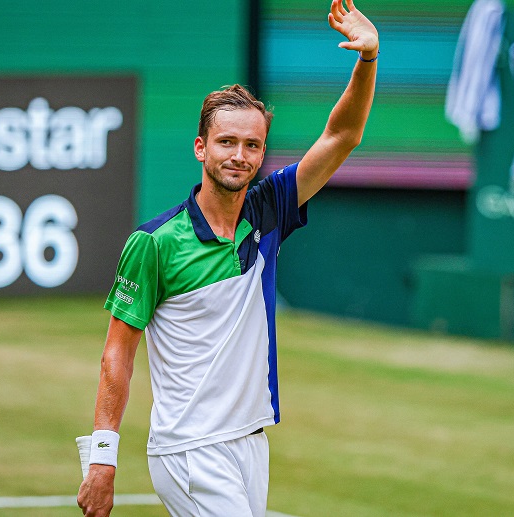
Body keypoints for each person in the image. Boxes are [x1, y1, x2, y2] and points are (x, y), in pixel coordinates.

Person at [78, 1, 378, 515]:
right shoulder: (154, 243)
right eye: (227, 142)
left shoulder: (269, 211)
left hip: (249, 443)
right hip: (189, 449)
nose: (240, 155)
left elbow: (342, 136)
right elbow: (117, 353)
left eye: (252, 145)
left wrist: (368, 58)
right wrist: (102, 459)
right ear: (200, 148)